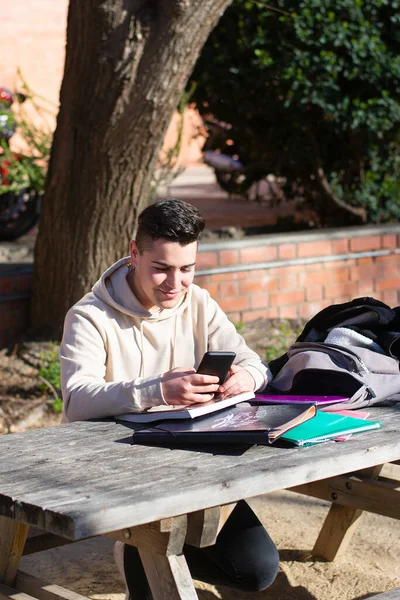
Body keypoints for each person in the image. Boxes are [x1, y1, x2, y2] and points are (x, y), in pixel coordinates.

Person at [60, 198, 279, 598]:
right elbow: (76, 400)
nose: (175, 284)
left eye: (186, 269)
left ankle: (137, 553)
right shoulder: (89, 316)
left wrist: (245, 376)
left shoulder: (199, 303)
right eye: (160, 268)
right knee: (155, 561)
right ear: (133, 253)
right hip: (115, 460)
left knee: (257, 570)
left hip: (192, 458)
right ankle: (139, 552)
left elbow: (256, 363)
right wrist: (156, 389)